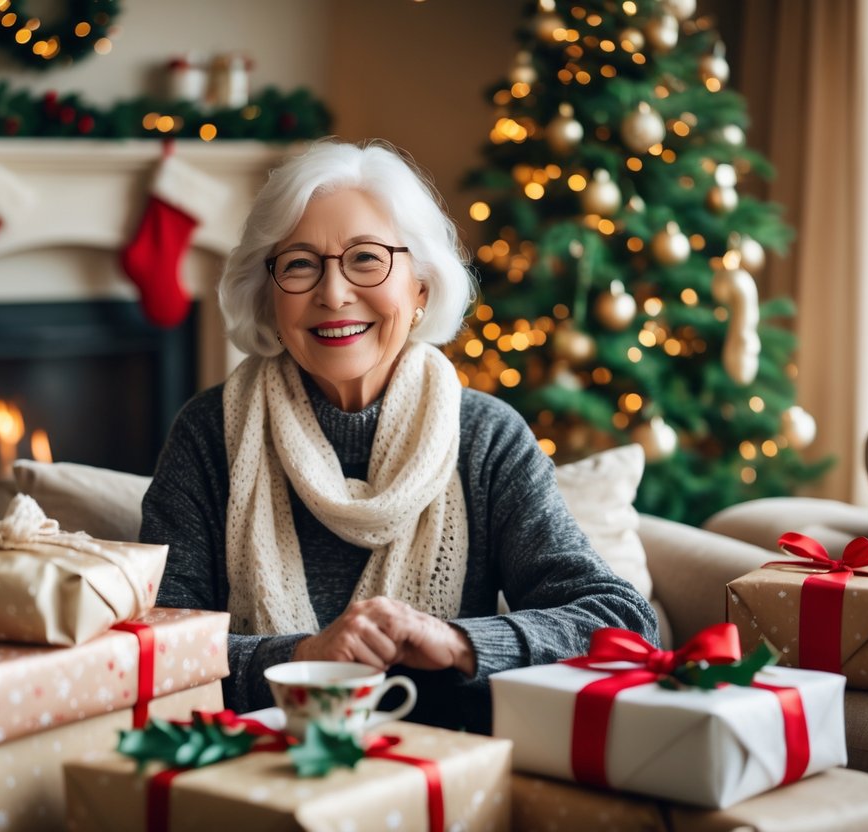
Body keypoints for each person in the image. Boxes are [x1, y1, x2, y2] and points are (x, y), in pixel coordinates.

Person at [141, 139, 658, 732]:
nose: (332, 293)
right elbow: (158, 644)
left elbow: (622, 620)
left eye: (366, 258)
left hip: (441, 766)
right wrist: (301, 659)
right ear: (269, 295)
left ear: (420, 287)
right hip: (255, 768)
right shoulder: (210, 433)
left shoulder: (486, 437)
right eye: (301, 264)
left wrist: (459, 642)